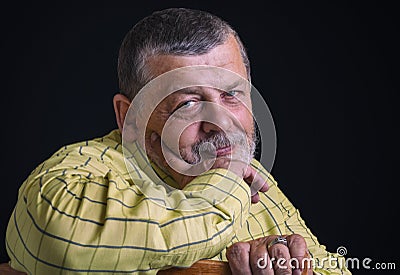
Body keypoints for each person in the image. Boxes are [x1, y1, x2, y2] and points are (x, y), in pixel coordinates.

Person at [4, 8, 350, 274]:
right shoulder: (76, 175)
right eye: (188, 103)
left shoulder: (255, 180)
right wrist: (224, 187)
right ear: (130, 116)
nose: (222, 123)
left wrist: (283, 262)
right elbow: (59, 244)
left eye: (232, 95)